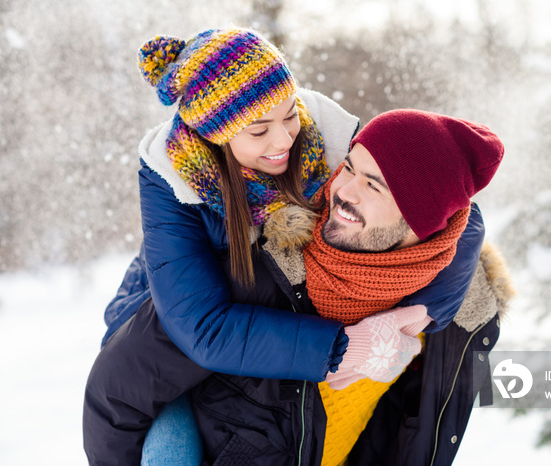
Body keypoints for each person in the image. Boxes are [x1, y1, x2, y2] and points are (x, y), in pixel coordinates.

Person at [84, 103, 514, 465]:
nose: (343, 190)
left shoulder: (459, 310)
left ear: (424, 226)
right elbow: (115, 392)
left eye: (374, 185)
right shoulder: (255, 275)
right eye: (349, 167)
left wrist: (421, 316)